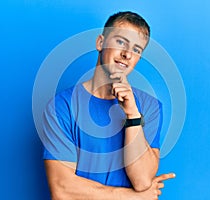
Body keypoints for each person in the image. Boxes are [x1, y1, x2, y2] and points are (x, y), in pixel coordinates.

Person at [42, 11, 175, 200]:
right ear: (100, 43)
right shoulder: (61, 107)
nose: (127, 54)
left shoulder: (149, 106)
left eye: (136, 49)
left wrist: (132, 114)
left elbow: (143, 180)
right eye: (121, 42)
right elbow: (62, 190)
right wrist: (134, 198)